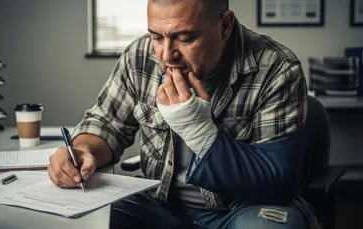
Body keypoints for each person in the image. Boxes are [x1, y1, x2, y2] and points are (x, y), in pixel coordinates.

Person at [47, 0, 321, 228]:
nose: (166, 55)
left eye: (185, 37)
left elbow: (276, 184)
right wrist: (83, 151)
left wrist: (197, 129)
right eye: (156, 36)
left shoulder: (277, 68)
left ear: (224, 25)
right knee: (78, 219)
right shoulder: (139, 57)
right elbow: (106, 124)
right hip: (156, 202)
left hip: (240, 209)